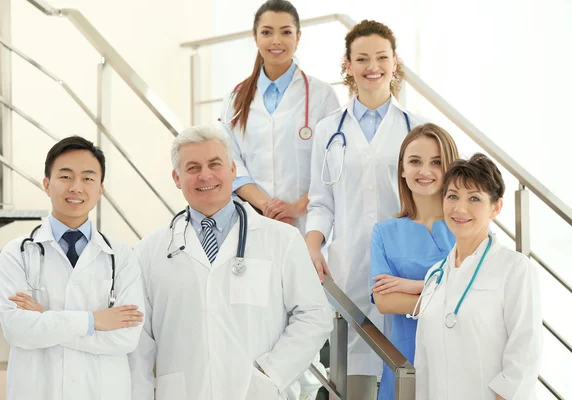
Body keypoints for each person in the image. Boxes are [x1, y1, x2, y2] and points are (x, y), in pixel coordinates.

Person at [129, 125, 333, 400]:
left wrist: (271, 374)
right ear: (177, 178)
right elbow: (140, 341)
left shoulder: (281, 239)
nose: (205, 175)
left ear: (233, 171)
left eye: (215, 164)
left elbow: (314, 315)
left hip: (257, 393)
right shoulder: (149, 251)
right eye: (192, 168)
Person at [306, 19, 424, 399]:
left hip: (404, 262)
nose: (372, 66)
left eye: (381, 57)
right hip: (349, 261)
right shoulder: (328, 129)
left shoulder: (416, 128)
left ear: (394, 62)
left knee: (407, 362)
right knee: (352, 367)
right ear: (349, 65)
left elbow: (429, 199)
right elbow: (321, 201)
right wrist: (312, 244)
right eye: (362, 58)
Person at [0, 136, 144, 400]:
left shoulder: (122, 257)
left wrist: (46, 318)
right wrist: (93, 320)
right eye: (65, 177)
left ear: (100, 189)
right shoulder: (16, 253)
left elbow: (127, 338)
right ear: (46, 184)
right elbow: (17, 330)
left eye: (87, 178)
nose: (76, 187)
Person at [414, 153, 542, 400]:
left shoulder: (515, 269)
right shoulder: (435, 275)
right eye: (452, 196)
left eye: (474, 198)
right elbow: (424, 362)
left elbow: (524, 355)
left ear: (496, 207)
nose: (460, 208)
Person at [220, 0, 339, 234]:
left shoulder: (322, 95)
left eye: (285, 32)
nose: (276, 40)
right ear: (255, 38)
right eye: (267, 32)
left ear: (298, 37)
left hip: (307, 222)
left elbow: (333, 163)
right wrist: (267, 207)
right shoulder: (234, 99)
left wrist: (295, 208)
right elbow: (230, 163)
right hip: (253, 219)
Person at [369, 123, 459, 400]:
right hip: (406, 360)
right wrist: (450, 297)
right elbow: (386, 302)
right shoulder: (384, 232)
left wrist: (411, 286)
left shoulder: (467, 227)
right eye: (415, 161)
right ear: (402, 169)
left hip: (459, 358)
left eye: (436, 162)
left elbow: (482, 295)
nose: (425, 171)